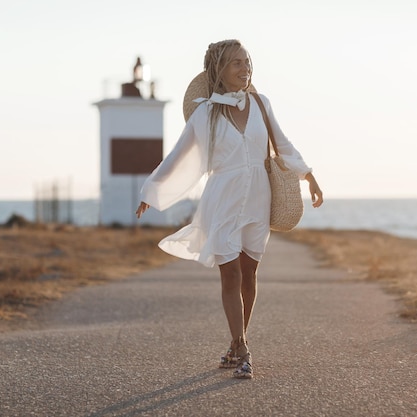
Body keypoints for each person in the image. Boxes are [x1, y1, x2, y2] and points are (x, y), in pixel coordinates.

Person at [135, 39, 323, 379]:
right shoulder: (205, 112)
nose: (245, 68)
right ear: (219, 70)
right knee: (230, 272)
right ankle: (243, 347)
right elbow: (177, 155)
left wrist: (308, 175)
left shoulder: (261, 104)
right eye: (236, 63)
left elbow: (282, 143)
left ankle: (238, 343)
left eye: (247, 61)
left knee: (249, 273)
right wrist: (152, 189)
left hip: (258, 198)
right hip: (222, 198)